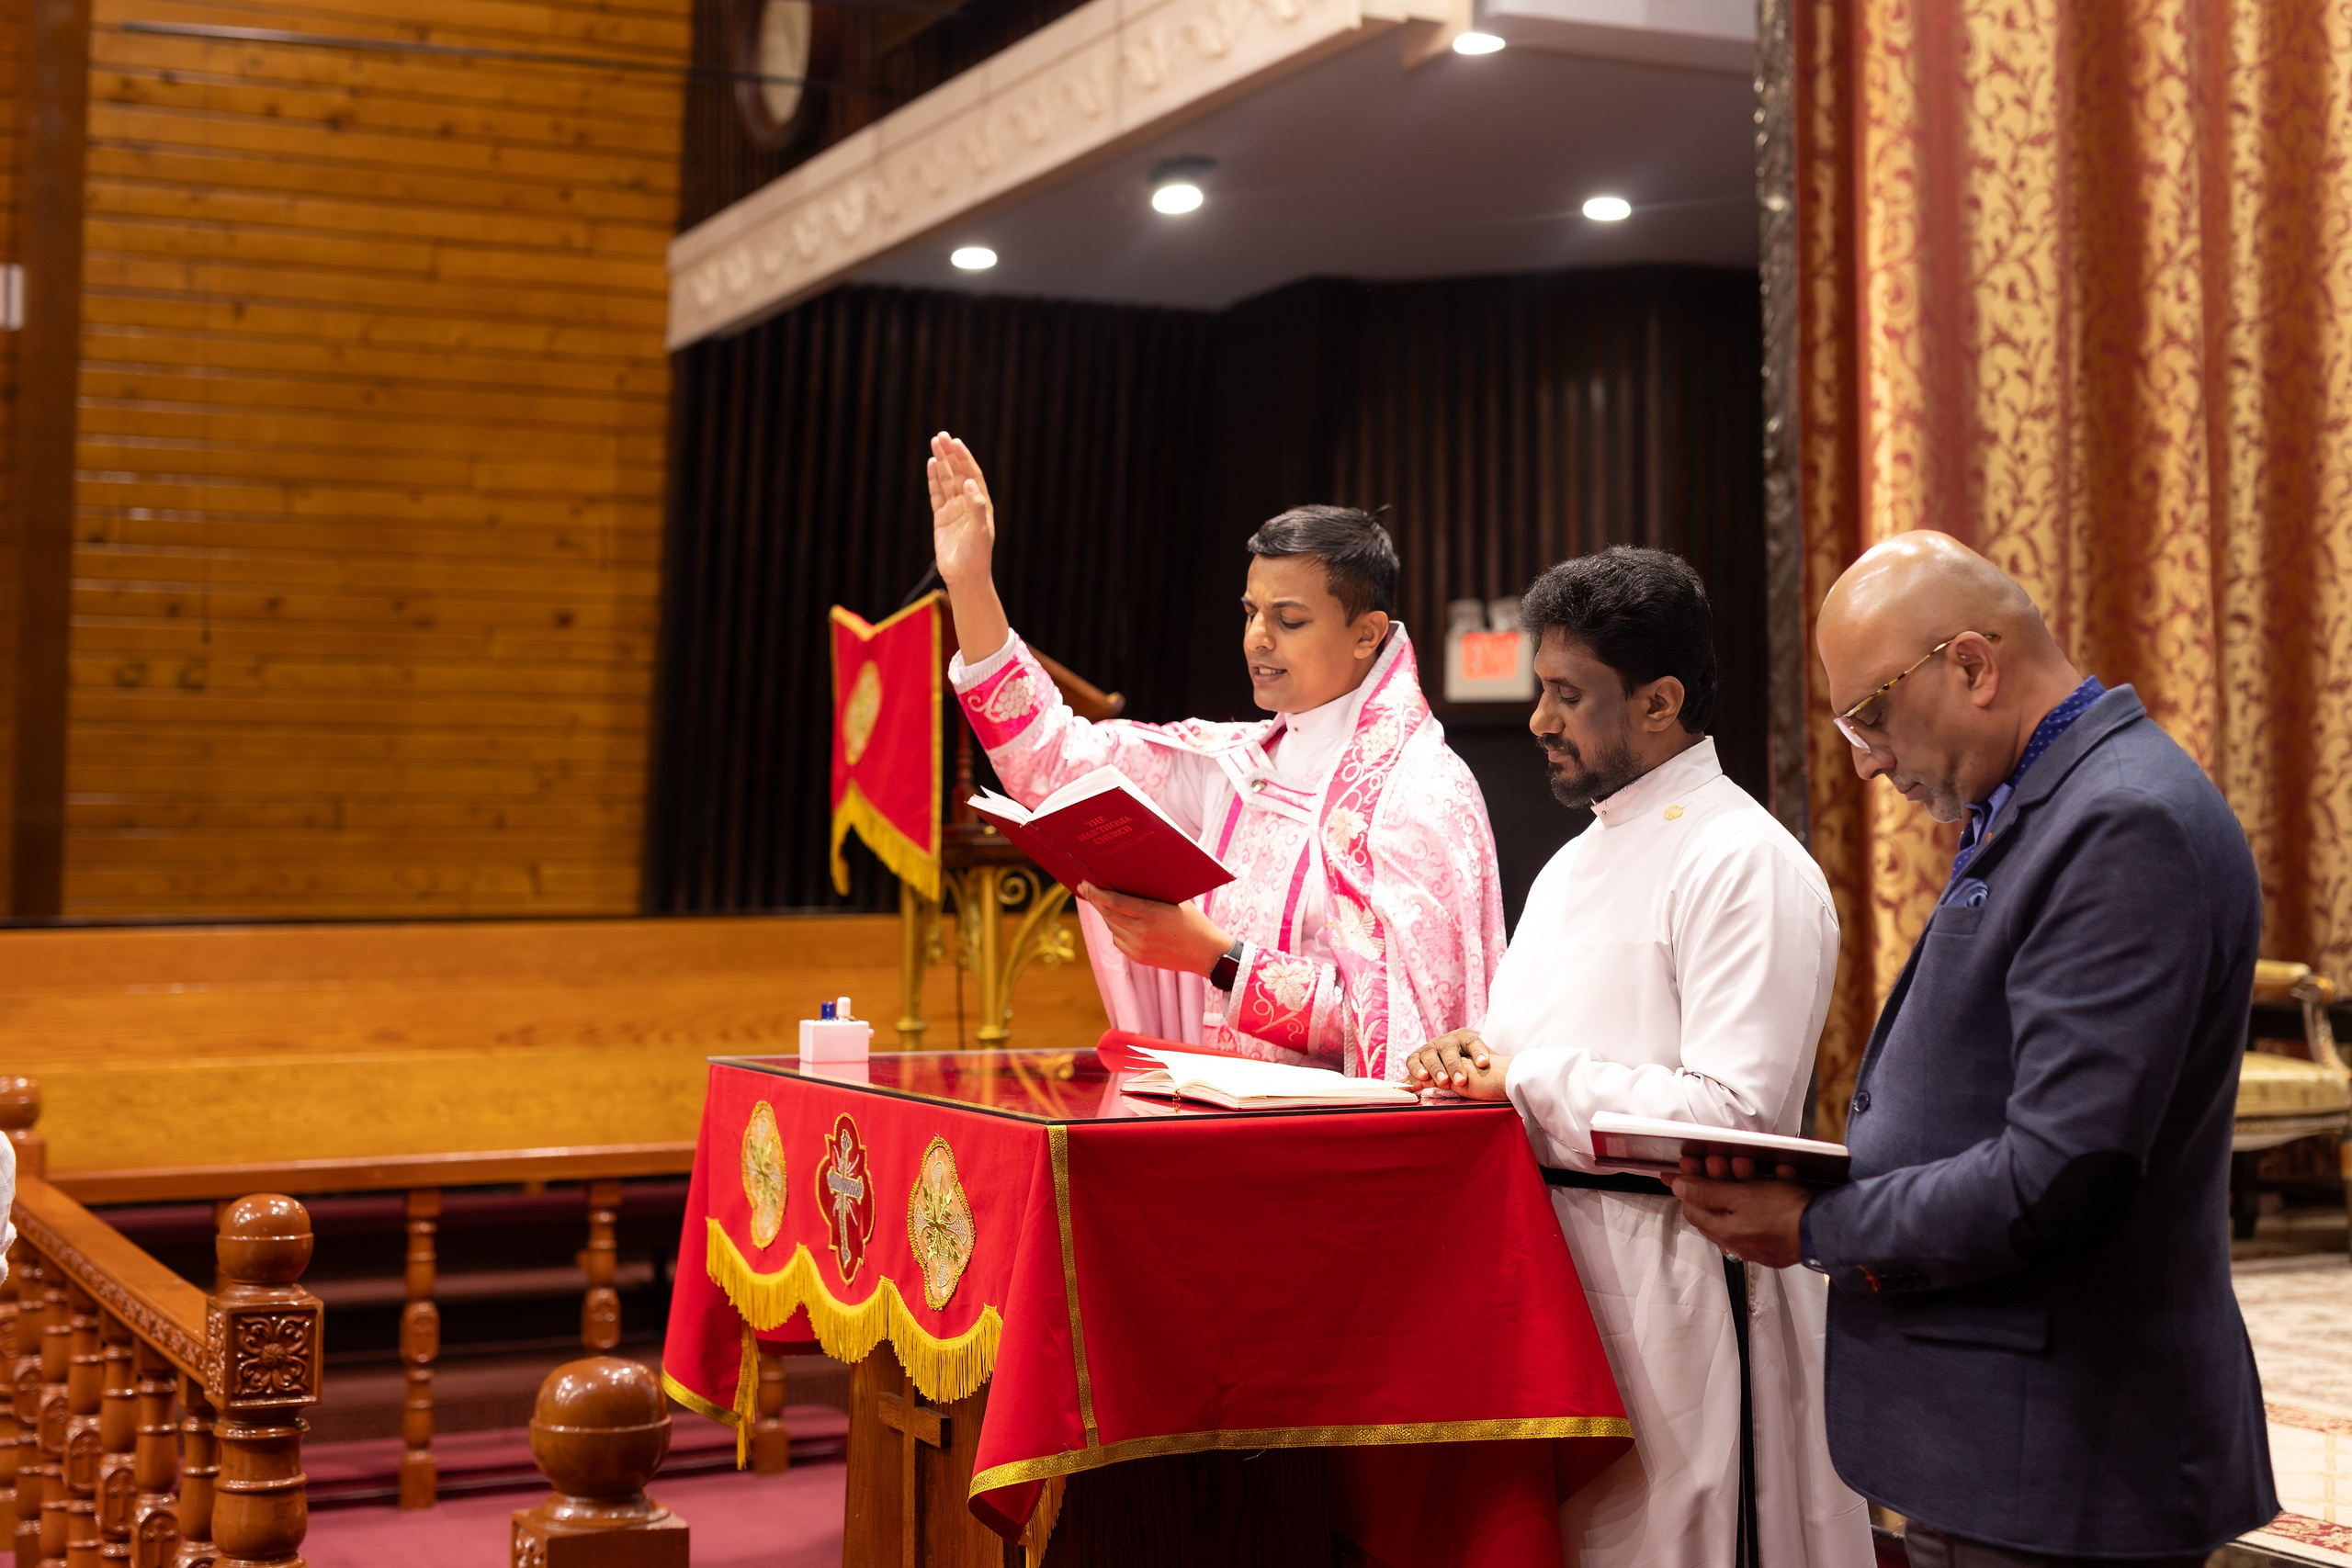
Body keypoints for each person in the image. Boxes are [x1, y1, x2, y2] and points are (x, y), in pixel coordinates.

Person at [1671, 531, 2276, 1567]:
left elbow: (2061, 1173)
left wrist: (1818, 1223)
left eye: (1870, 714)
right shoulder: (2048, 798)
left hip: (2064, 1444)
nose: (1863, 758)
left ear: (1971, 665)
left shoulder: (2118, 818)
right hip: (2009, 1435)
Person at [1404, 547, 1872, 1568]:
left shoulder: (1744, 863)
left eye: (1569, 695)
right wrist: (1469, 1056)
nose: (1538, 720)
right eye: (1541, 689)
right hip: (1558, 1286)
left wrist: (1517, 1079)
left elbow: (1733, 1115)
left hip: (1683, 1288)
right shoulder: (1575, 863)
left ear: (1659, 700)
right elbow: (1527, 1048)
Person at [925, 432, 1506, 1078]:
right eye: (1251, 611)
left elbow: (1419, 1037)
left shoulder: (1421, 793)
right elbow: (1055, 762)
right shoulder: (1238, 768)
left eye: (1289, 620)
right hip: (1216, 1124)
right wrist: (972, 583)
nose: (1257, 637)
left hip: (1337, 1149)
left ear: (1367, 633)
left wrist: (1218, 958)